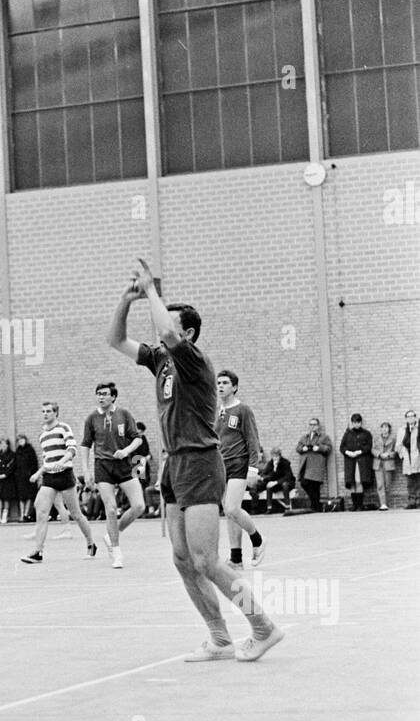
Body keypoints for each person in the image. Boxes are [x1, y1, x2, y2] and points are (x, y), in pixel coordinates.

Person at [107, 260, 283, 662]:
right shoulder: (160, 360)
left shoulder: (192, 359)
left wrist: (152, 289)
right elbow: (116, 340)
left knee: (207, 559)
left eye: (168, 324)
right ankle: (219, 637)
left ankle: (263, 627)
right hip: (173, 465)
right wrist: (127, 298)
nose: (159, 328)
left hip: (201, 462)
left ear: (187, 334)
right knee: (183, 559)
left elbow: (166, 329)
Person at [21, 403, 97, 565]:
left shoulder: (63, 428)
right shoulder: (43, 435)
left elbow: (72, 449)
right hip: (49, 477)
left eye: (49, 411)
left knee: (76, 513)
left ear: (56, 413)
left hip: (65, 475)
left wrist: (62, 462)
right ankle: (38, 552)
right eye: (43, 411)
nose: (45, 414)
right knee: (41, 512)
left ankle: (91, 543)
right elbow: (48, 459)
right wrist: (39, 473)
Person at [80, 382, 145, 569]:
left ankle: (112, 534)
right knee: (110, 508)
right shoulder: (92, 418)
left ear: (113, 397)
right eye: (98, 394)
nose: (101, 397)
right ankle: (116, 552)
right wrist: (85, 470)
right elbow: (85, 444)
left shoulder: (124, 414)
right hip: (103, 466)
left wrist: (126, 451)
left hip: (124, 465)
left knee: (139, 506)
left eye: (105, 394)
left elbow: (137, 439)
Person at [215, 370, 265, 568]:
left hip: (239, 463)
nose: (220, 386)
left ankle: (258, 540)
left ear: (234, 387)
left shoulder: (243, 410)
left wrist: (253, 468)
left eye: (225, 383)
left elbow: (253, 439)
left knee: (232, 507)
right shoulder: (216, 411)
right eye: (218, 383)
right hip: (221, 465)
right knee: (229, 512)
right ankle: (236, 558)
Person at [295, 417, 332, 513]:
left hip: (316, 464)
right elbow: (298, 447)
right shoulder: (305, 437)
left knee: (315, 486)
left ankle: (315, 506)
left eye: (314, 424)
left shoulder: (324, 437)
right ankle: (316, 504)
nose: (312, 427)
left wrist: (319, 448)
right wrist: (303, 448)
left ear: (318, 426)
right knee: (304, 482)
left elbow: (328, 448)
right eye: (310, 425)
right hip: (306, 464)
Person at [340, 413, 374, 511]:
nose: (356, 424)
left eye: (358, 422)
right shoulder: (348, 434)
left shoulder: (366, 433)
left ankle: (360, 505)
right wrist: (348, 452)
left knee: (359, 481)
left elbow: (369, 446)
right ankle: (354, 505)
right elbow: (342, 447)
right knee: (352, 482)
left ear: (361, 422)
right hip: (350, 461)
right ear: (352, 423)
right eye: (354, 422)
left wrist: (360, 451)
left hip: (362, 461)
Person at [254, 448, 294, 513]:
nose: (275, 458)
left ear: (280, 456)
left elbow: (288, 476)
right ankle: (269, 508)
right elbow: (264, 473)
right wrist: (267, 476)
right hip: (276, 484)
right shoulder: (271, 463)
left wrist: (276, 482)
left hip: (286, 483)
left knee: (285, 485)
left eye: (276, 456)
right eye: (273, 456)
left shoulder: (285, 463)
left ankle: (287, 506)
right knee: (269, 485)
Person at [371, 423, 397, 511]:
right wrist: (379, 454)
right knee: (380, 484)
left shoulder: (393, 439)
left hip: (388, 463)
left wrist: (389, 455)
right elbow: (372, 449)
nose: (384, 429)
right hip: (378, 463)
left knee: (387, 484)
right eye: (383, 427)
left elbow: (396, 451)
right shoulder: (376, 438)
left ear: (389, 429)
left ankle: (387, 503)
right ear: (380, 429)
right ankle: (382, 504)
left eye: (386, 427)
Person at [0, 438, 16, 524]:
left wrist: (5, 474)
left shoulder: (12, 455)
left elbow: (12, 466)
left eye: (5, 444)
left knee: (6, 497)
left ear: (7, 445)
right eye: (1, 444)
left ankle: (4, 517)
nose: (3, 446)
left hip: (7, 479)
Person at [14, 434, 38, 522]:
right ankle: (21, 514)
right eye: (19, 440)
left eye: (22, 440)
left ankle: (26, 514)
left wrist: (31, 474)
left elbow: (34, 463)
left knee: (28, 496)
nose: (21, 442)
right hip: (20, 478)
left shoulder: (30, 450)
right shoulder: (18, 451)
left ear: (25, 440)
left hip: (28, 477)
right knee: (21, 497)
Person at [398, 409, 419, 508]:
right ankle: (411, 502)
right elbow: (398, 445)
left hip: (417, 458)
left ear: (415, 417)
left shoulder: (418, 428)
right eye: (408, 416)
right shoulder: (402, 430)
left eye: (412, 416)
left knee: (418, 480)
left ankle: (419, 501)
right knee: (410, 482)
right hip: (407, 459)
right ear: (406, 419)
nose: (411, 418)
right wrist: (403, 456)